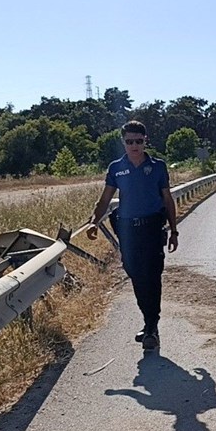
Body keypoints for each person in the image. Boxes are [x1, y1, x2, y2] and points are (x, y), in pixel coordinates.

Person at [86, 120, 179, 350]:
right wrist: (93, 222)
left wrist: (174, 231)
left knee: (152, 275)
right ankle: (148, 321)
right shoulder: (116, 168)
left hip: (151, 227)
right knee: (135, 275)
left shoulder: (157, 166)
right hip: (127, 230)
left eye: (139, 141)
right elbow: (105, 198)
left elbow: (167, 199)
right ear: (123, 143)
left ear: (145, 141)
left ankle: (151, 326)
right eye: (129, 142)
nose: (134, 146)